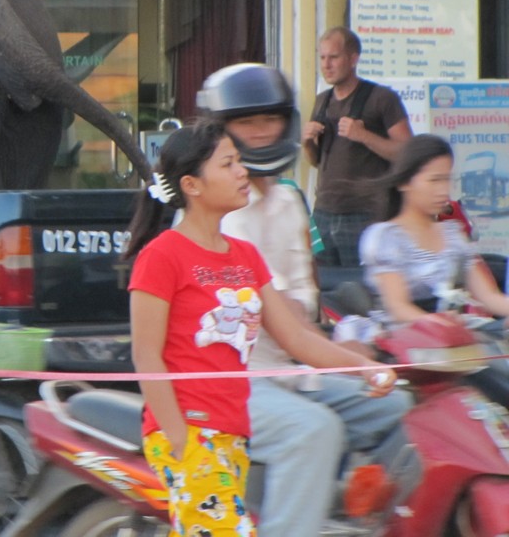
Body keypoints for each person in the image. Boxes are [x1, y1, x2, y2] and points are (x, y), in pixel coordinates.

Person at [125, 118, 397, 537]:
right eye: (228, 164)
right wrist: (180, 441)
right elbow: (146, 354)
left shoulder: (244, 256)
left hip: (235, 430)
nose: (242, 172)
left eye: (239, 162)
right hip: (191, 432)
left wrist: (362, 368)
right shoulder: (162, 256)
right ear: (192, 185)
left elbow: (297, 337)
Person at [198, 63, 411, 536]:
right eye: (245, 122)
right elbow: (281, 320)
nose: (260, 132)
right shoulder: (211, 213)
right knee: (314, 431)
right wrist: (346, 358)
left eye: (269, 119)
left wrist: (347, 353)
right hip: (228, 381)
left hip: (288, 372)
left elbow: (299, 303)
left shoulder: (287, 201)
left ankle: (341, 511)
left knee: (397, 407)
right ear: (219, 132)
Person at [359, 133, 509, 406]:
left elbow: (489, 298)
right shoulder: (384, 237)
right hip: (409, 344)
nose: (443, 190)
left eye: (447, 179)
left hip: (455, 338)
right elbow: (398, 308)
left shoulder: (453, 234)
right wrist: (442, 325)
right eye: (434, 180)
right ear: (405, 182)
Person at [302, 27, 412, 267]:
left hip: (365, 215)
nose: (326, 65)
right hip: (323, 212)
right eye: (322, 58)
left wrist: (364, 136)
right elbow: (317, 161)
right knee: (323, 289)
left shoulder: (381, 98)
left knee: (362, 292)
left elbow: (407, 154)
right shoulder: (322, 100)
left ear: (353, 59)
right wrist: (307, 143)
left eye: (334, 57)